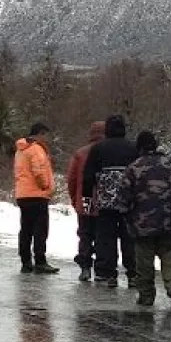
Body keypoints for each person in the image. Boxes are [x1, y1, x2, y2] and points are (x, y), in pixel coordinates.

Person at [119, 131, 171, 308]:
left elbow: (124, 197)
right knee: (169, 257)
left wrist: (126, 214)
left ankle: (146, 296)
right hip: (169, 222)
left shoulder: (134, 167)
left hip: (142, 224)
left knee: (144, 261)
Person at [81, 114, 138, 288]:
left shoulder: (98, 148)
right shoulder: (133, 148)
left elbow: (88, 176)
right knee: (129, 238)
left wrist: (87, 200)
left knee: (105, 238)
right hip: (128, 203)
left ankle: (106, 273)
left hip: (106, 202)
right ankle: (133, 273)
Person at [14, 123, 59, 274]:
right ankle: (40, 261)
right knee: (40, 229)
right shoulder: (36, 149)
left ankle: (25, 262)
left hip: (23, 194)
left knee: (26, 229)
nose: (47, 139)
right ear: (40, 133)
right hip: (37, 195)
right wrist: (46, 187)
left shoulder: (20, 151)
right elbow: (39, 171)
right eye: (45, 135)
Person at [66, 121, 105, 282]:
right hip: (104, 202)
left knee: (85, 234)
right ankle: (102, 270)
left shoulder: (80, 153)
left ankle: (85, 267)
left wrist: (75, 199)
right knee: (103, 236)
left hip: (85, 201)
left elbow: (72, 179)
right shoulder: (108, 151)